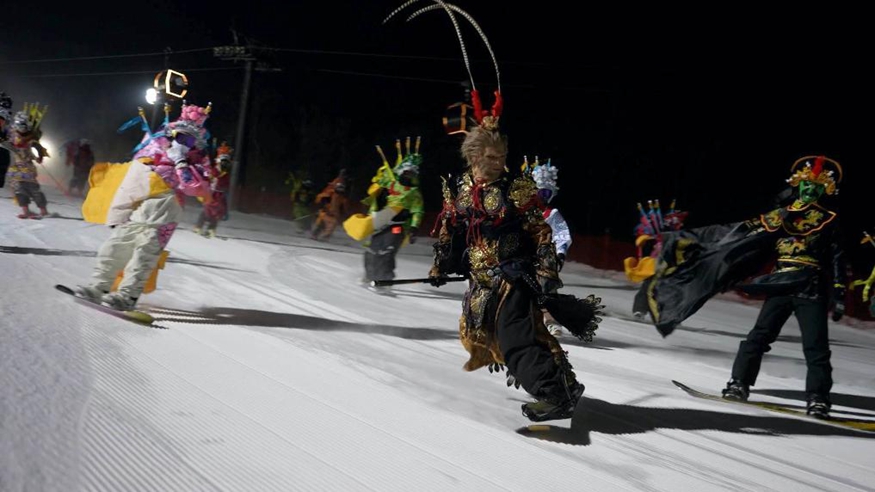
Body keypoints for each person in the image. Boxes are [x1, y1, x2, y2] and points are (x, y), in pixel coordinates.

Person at [638, 155, 846, 418]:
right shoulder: (780, 215)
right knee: (758, 338)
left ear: (824, 190)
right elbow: (738, 235)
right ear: (797, 185)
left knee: (816, 347)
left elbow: (837, 257)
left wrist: (839, 292)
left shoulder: (829, 219)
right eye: (806, 185)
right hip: (780, 284)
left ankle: (818, 399)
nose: (809, 190)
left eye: (815, 187)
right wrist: (686, 244)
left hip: (811, 288)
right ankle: (738, 384)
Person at [74, 102, 214, 310]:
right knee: (114, 248)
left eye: (188, 140)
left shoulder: (197, 164)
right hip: (139, 211)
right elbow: (132, 183)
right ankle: (98, 287)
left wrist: (180, 162)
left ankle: (127, 296)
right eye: (179, 137)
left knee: (143, 256)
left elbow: (195, 187)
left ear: (196, 143)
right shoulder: (155, 156)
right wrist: (120, 211)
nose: (182, 143)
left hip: (164, 216)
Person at [348, 137, 424, 288]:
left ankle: (385, 280)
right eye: (406, 173)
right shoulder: (391, 184)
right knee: (371, 250)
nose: (408, 176)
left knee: (387, 251)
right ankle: (369, 276)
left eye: (412, 174)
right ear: (401, 172)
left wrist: (414, 228)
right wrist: (379, 181)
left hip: (398, 225)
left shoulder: (414, 193)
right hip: (382, 222)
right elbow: (377, 187)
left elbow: (418, 211)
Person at [523, 157, 573, 336]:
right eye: (538, 193)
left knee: (546, 284)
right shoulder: (521, 212)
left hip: (541, 256)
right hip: (519, 253)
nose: (541, 197)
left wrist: (560, 254)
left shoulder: (552, 214)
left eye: (545, 193)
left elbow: (562, 235)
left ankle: (551, 320)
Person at [1, 102, 50, 218]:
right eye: (19, 126)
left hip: (28, 168)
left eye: (23, 126)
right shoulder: (13, 136)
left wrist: (40, 157)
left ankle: (43, 210)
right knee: (19, 189)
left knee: (33, 189)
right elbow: (6, 142)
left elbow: (38, 147)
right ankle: (26, 211)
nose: (21, 129)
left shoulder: (30, 138)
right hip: (16, 168)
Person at [194, 141, 232, 238]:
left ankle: (211, 229)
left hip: (219, 195)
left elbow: (226, 183)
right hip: (212, 193)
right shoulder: (215, 170)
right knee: (207, 210)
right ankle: (199, 227)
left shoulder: (226, 172)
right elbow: (210, 177)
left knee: (217, 212)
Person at [310, 168, 352, 241]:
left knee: (330, 227)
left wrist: (345, 214)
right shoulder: (330, 194)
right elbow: (321, 200)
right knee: (321, 223)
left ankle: (324, 237)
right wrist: (321, 207)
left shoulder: (343, 199)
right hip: (326, 212)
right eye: (339, 189)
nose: (340, 191)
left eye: (341, 189)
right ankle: (315, 234)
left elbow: (343, 208)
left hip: (334, 215)